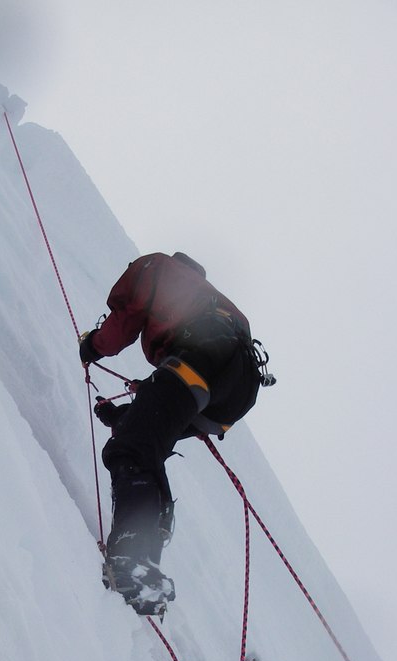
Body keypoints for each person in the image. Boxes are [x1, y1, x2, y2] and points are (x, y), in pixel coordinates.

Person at [79, 251, 274, 615]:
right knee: (144, 443)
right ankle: (147, 546)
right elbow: (157, 413)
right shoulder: (212, 299)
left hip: (205, 359)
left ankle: (134, 560)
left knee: (132, 450)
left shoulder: (157, 268)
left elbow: (126, 319)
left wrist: (91, 346)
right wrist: (120, 414)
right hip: (233, 395)